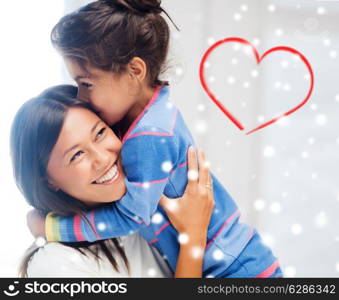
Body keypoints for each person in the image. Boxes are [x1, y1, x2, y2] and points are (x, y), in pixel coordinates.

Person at [28, 0, 283, 277]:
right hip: (239, 259)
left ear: (135, 71)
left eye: (86, 83)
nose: (81, 96)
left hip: (236, 270)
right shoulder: (156, 110)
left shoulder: (147, 136)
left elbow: (131, 216)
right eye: (76, 154)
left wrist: (53, 227)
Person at [11, 85, 214, 277]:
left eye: (100, 133)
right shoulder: (55, 266)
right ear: (48, 182)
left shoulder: (143, 203)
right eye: (77, 155)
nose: (102, 158)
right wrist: (194, 237)